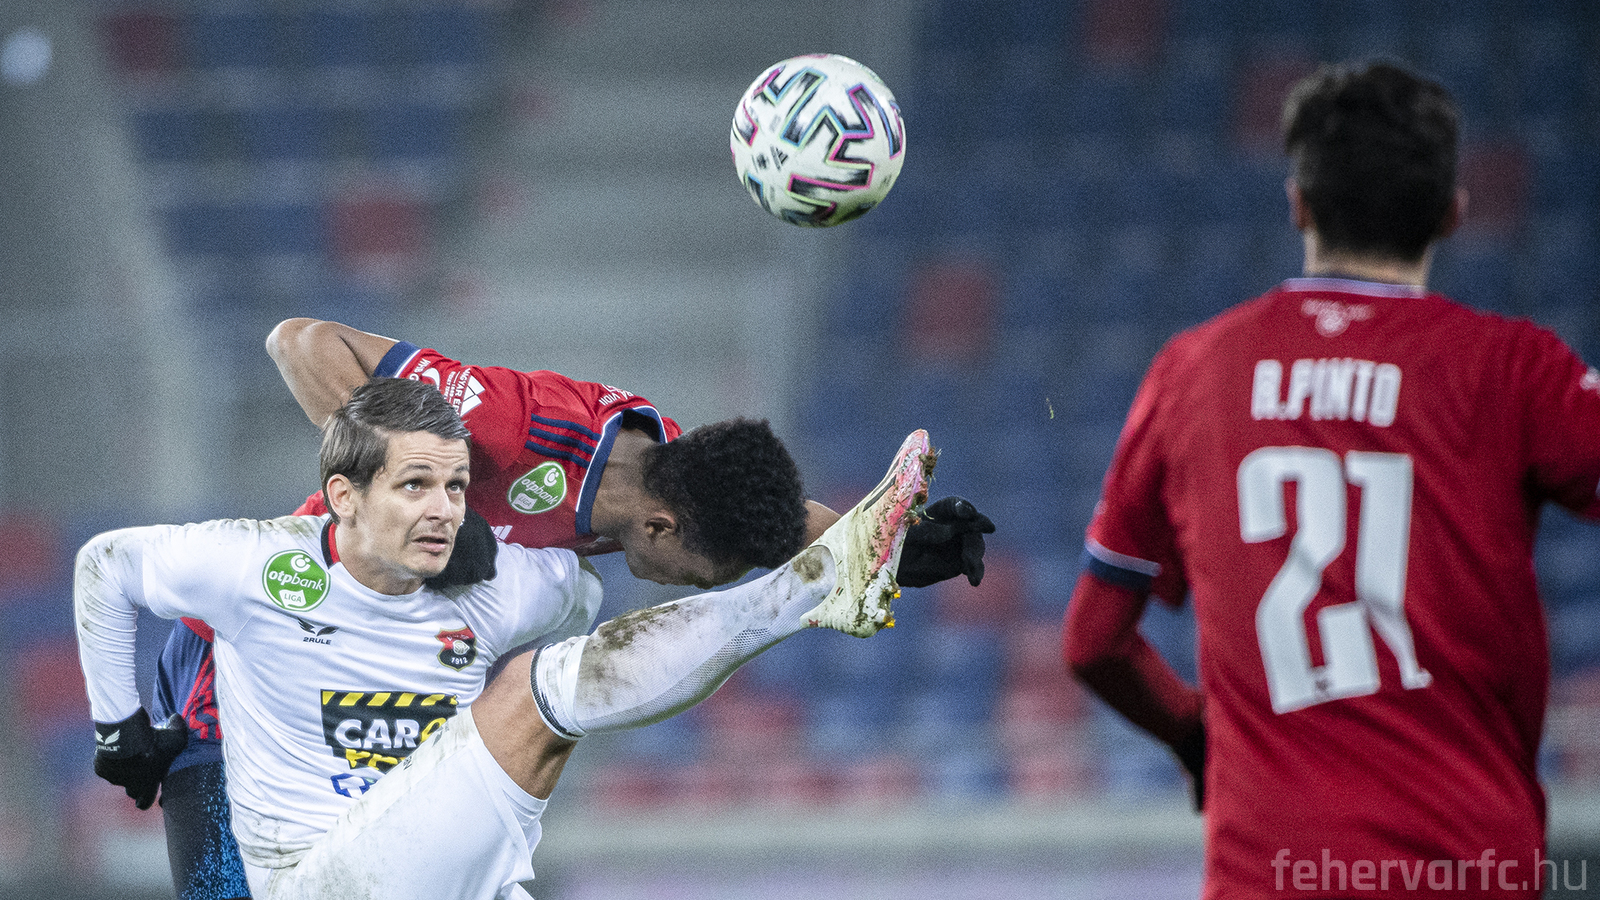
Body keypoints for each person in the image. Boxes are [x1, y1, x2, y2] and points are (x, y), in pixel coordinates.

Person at [140, 318, 994, 900]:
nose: (696, 589)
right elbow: (301, 341)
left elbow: (767, 518)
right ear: (661, 528)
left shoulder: (668, 479)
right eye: (706, 577)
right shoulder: (512, 427)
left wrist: (893, 546)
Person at [1062, 59, 1600, 900]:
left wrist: (1195, 734)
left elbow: (1094, 641)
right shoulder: (1515, 371)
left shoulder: (1193, 372)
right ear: (1452, 213)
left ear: (1299, 204)